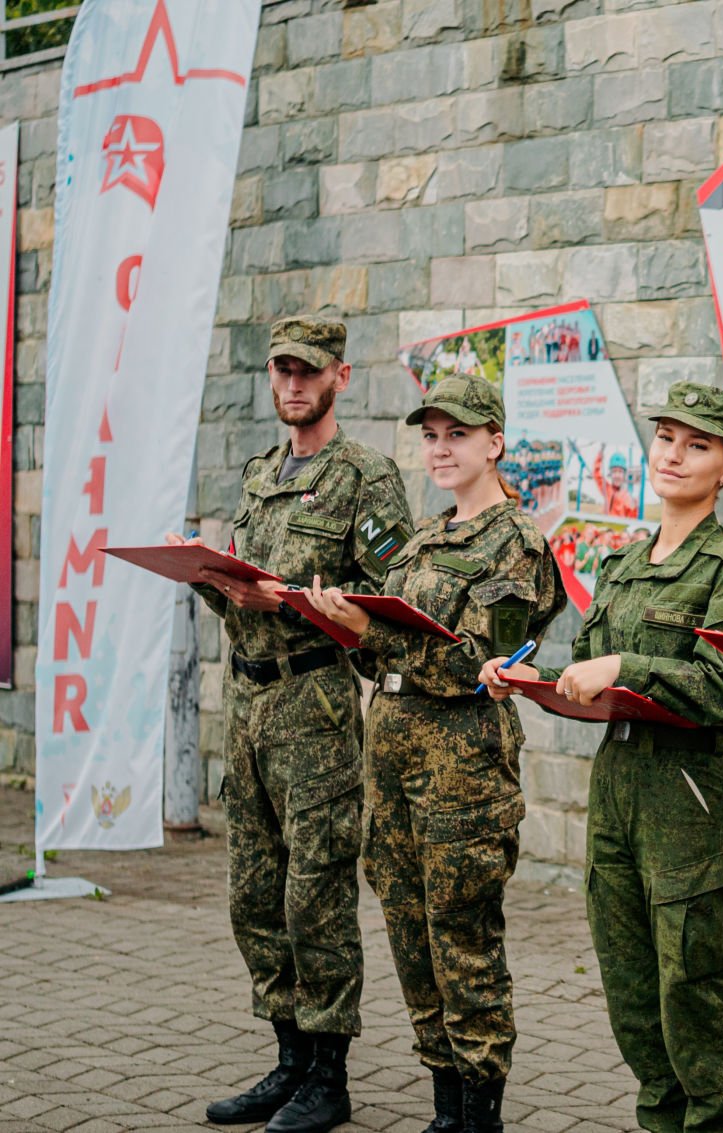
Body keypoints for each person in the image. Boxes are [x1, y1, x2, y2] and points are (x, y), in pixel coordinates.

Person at [480, 382, 723, 1133]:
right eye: (667, 438)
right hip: (616, 790)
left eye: (697, 445)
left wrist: (626, 667)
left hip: (686, 795)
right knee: (633, 997)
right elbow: (588, 672)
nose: (673, 454)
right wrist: (527, 677)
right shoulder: (620, 564)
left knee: (692, 998)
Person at [303, 376, 567, 1133]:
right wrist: (345, 625)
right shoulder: (422, 538)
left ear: (495, 443)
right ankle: (445, 1108)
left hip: (461, 761)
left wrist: (374, 631)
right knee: (409, 930)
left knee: (461, 936)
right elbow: (383, 653)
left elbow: (481, 666)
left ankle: (480, 1114)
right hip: (392, 751)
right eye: (430, 435)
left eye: (458, 434)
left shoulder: (516, 543)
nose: (441, 448)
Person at [177, 316, 414, 1133]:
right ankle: (288, 1060)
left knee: (315, 897)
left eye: (308, 371)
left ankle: (328, 1075)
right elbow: (243, 596)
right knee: (253, 895)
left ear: (339, 377)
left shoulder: (366, 478)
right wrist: (208, 575)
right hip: (248, 709)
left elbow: (392, 611)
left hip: (315, 711)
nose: (292, 384)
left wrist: (298, 605)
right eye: (282, 369)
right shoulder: (260, 474)